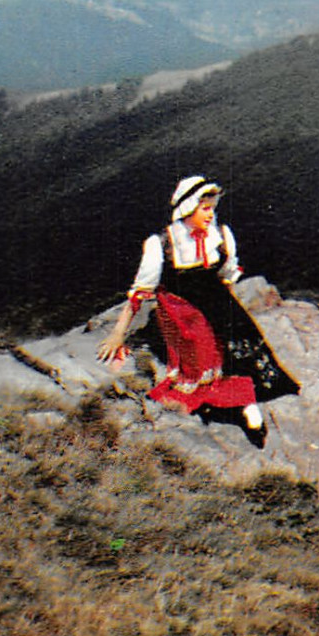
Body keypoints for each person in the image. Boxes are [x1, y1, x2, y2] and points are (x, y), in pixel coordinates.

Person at [96, 176, 299, 446]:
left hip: (214, 299)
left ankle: (243, 401)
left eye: (212, 208)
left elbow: (226, 276)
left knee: (243, 342)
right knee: (201, 350)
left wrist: (229, 313)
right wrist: (117, 334)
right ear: (188, 208)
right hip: (179, 306)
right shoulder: (162, 243)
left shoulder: (220, 236)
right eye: (205, 208)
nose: (210, 214)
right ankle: (229, 404)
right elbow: (140, 292)